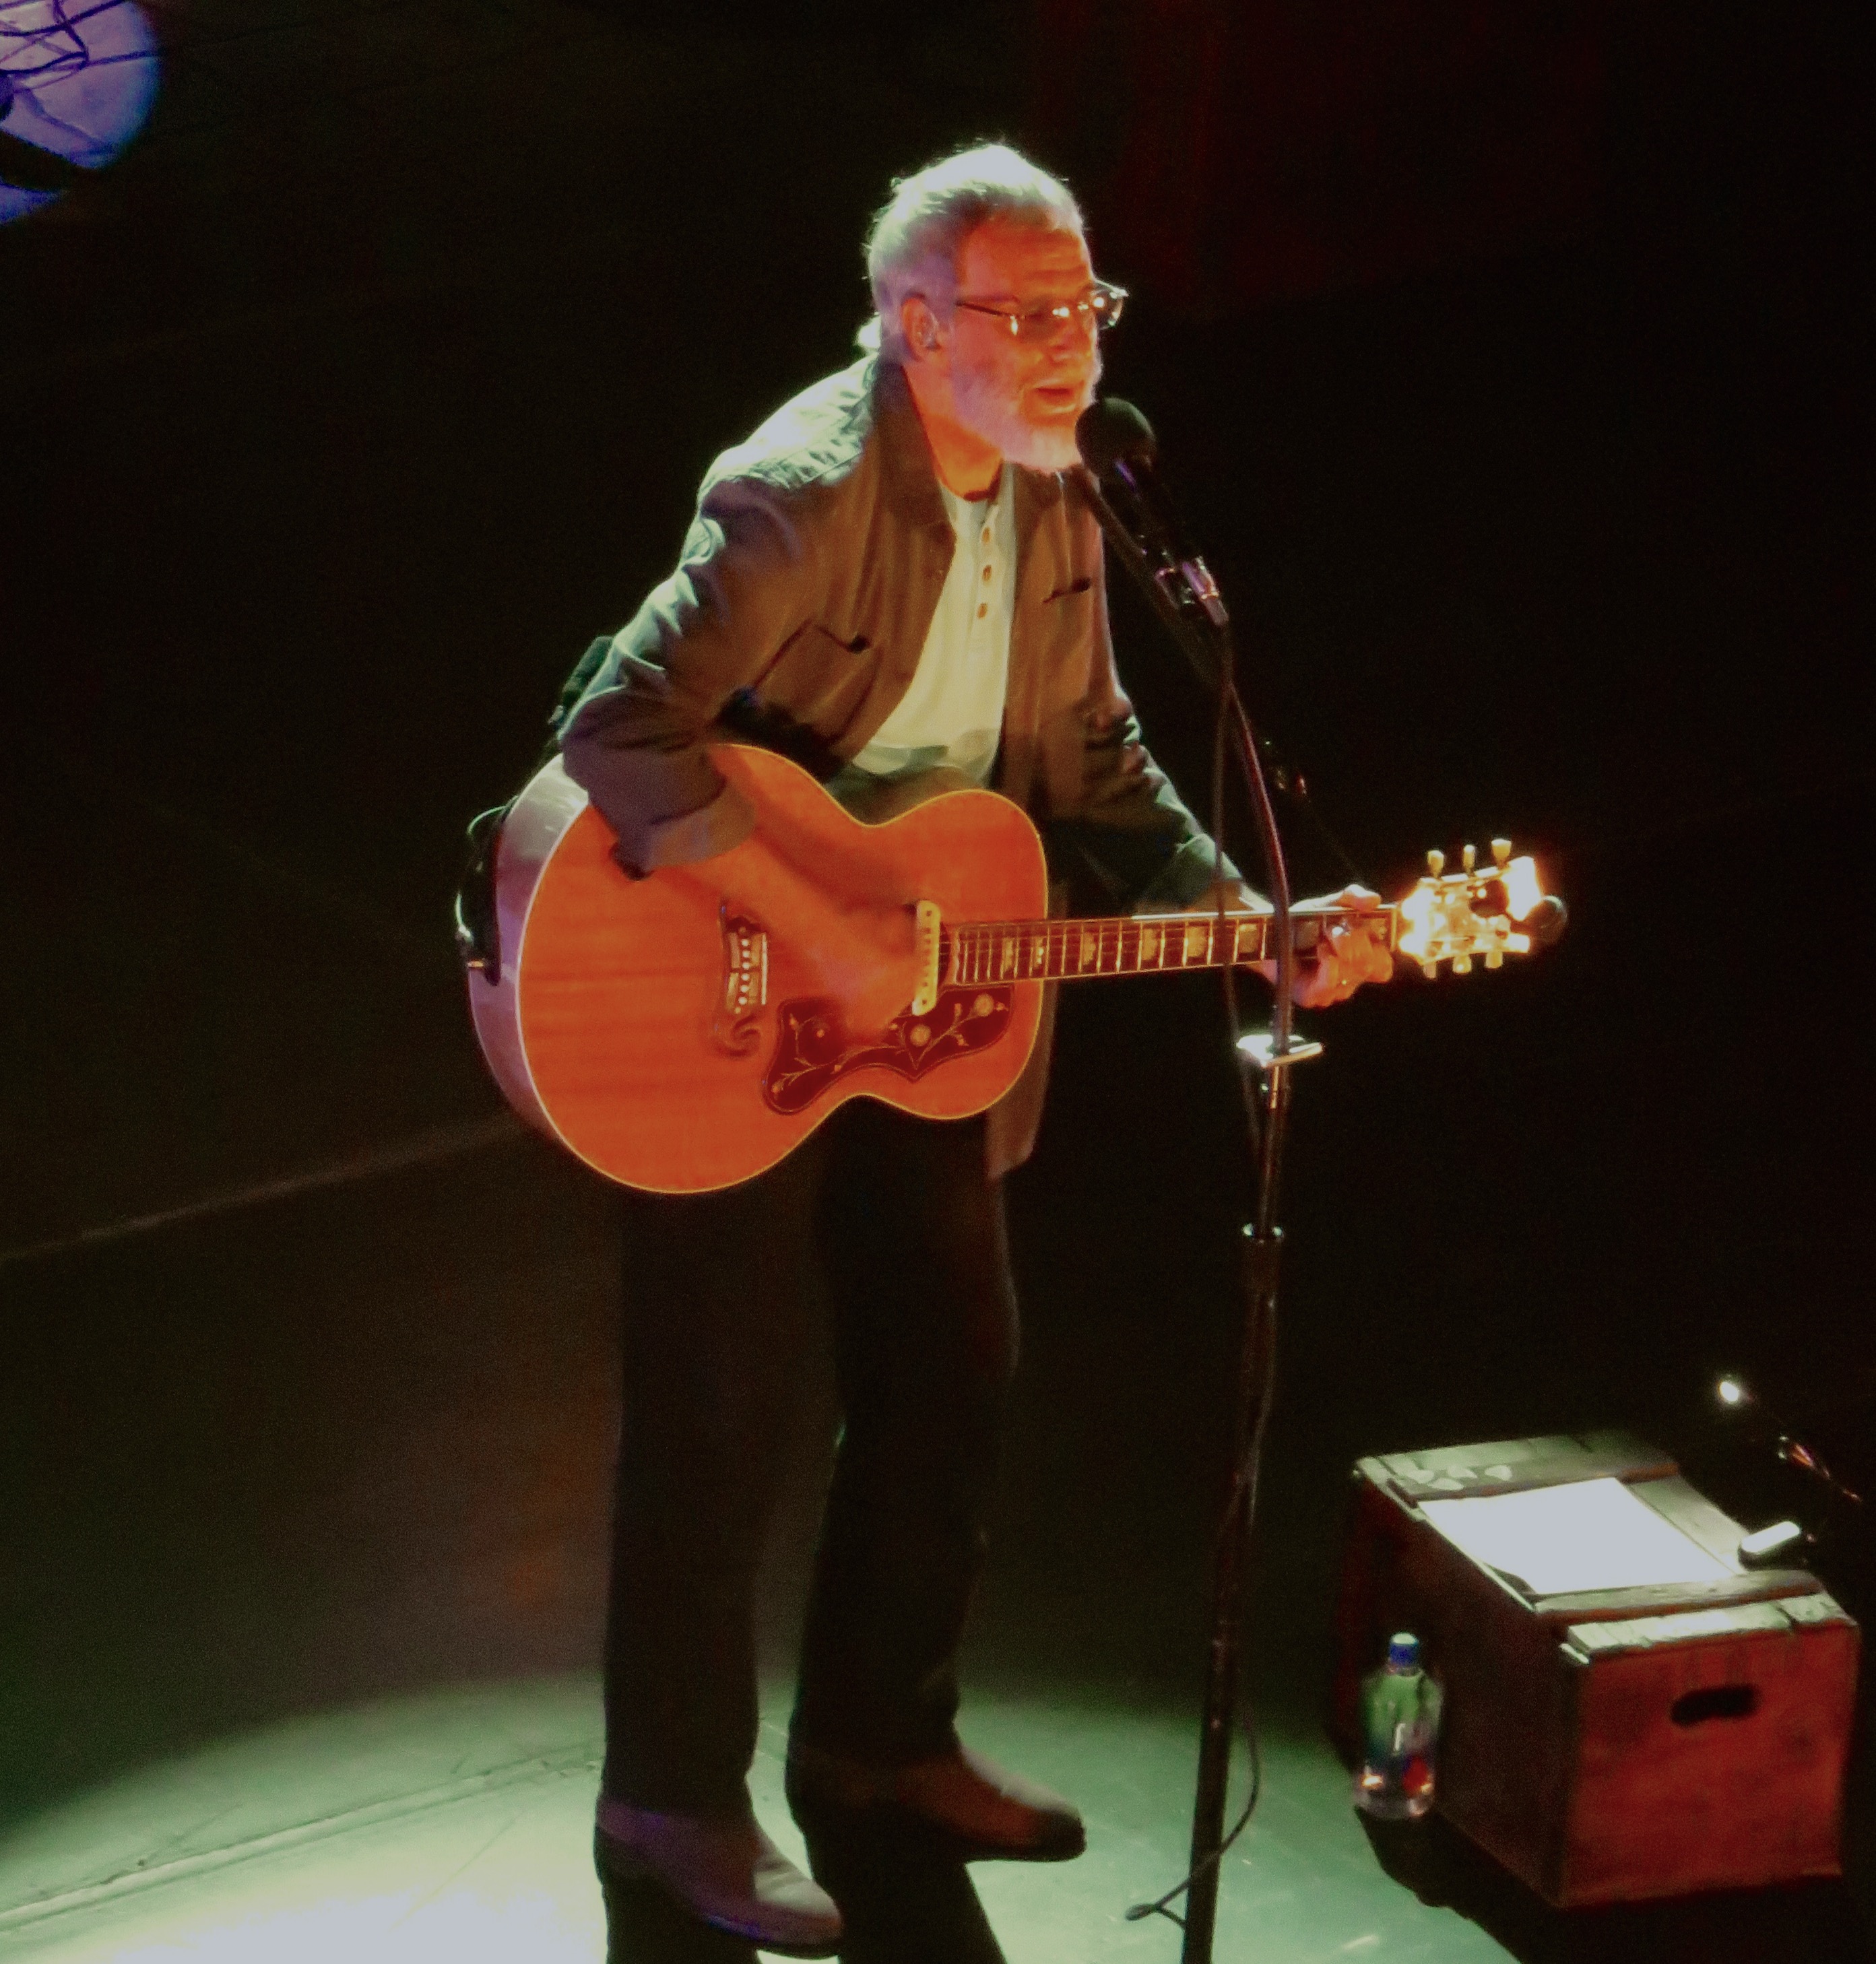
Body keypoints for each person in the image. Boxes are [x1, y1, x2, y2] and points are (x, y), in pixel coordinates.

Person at [557, 143, 1391, 1955]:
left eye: (1082, 308)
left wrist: (1253, 915)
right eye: (1020, 317)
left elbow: (1091, 767)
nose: (1065, 350)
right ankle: (669, 1806)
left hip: (921, 1022)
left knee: (953, 1370)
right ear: (908, 324)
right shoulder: (791, 497)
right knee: (717, 1417)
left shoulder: (1068, 490)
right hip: (719, 996)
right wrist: (821, 906)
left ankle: (874, 1743)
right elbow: (617, 729)